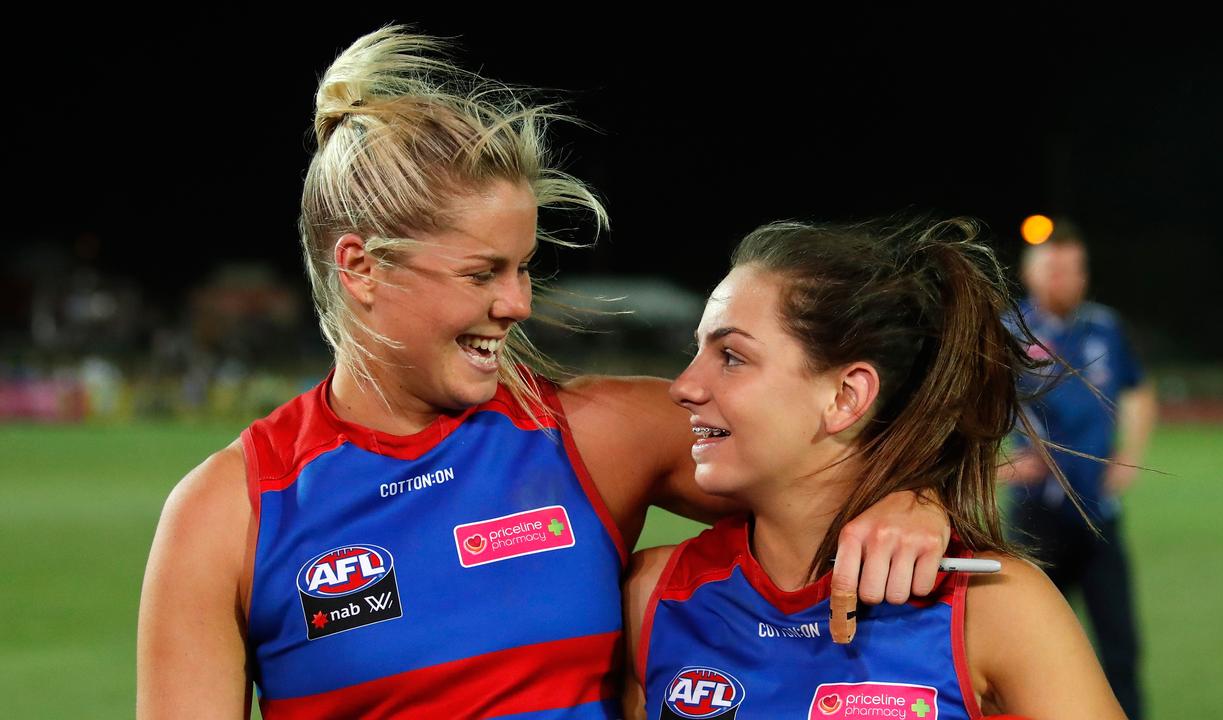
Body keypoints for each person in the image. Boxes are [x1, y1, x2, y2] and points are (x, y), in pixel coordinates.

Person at [135, 28, 950, 719]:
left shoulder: (589, 438)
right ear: (361, 269)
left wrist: (911, 497)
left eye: (524, 268)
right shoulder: (226, 517)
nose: (518, 303)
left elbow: (836, 446)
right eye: (483, 272)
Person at [623, 218, 1127, 719]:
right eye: (698, 350)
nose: (683, 386)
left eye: (731, 356)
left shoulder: (995, 609)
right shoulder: (657, 595)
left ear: (846, 396)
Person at [1000, 223, 1157, 719]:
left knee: (1121, 648)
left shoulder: (1104, 326)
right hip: (1035, 520)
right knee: (1025, 651)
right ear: (1029, 272)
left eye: (1071, 268)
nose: (1063, 278)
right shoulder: (1009, 331)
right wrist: (1001, 464)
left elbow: (1139, 389)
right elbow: (968, 410)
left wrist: (1130, 452)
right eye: (1052, 268)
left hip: (1098, 512)